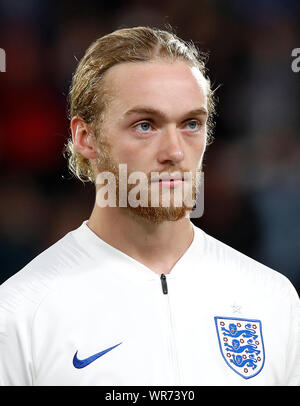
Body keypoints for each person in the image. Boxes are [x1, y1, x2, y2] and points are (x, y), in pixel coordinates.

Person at [0, 26, 299, 386]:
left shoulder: (271, 298)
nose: (174, 152)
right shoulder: (20, 312)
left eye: (191, 124)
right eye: (145, 125)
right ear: (85, 138)